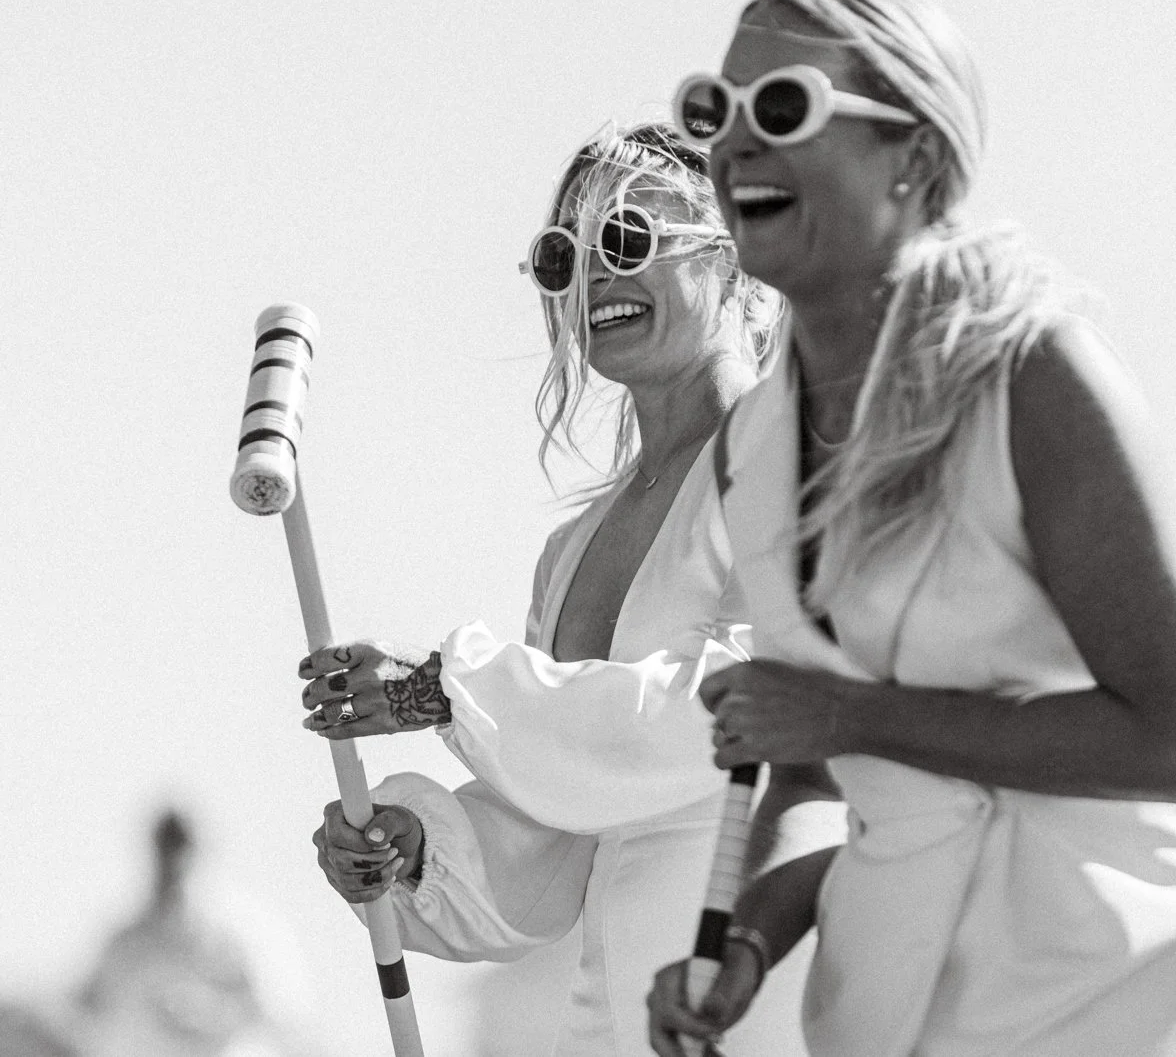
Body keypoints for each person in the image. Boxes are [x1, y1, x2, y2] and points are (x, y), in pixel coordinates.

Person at [644, 0, 1176, 1056]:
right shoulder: (751, 445)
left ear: (914, 159)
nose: (735, 146)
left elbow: (1175, 738)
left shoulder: (1034, 377)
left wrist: (849, 719)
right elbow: (809, 773)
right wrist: (744, 938)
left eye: (780, 107)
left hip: (1116, 983)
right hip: (892, 1004)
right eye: (714, 110)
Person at [298, 123, 827, 1055]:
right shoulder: (571, 548)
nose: (593, 278)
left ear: (738, 257)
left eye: (626, 241)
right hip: (619, 1011)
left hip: (775, 980)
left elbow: (746, 703)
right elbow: (559, 830)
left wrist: (437, 689)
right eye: (563, 257)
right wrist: (413, 852)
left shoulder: (794, 452)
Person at [79, 807, 310, 1057]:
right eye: (167, 848)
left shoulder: (245, 935)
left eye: (181, 848)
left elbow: (287, 1020)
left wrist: (208, 1013)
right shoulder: (126, 943)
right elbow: (87, 1014)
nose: (173, 862)